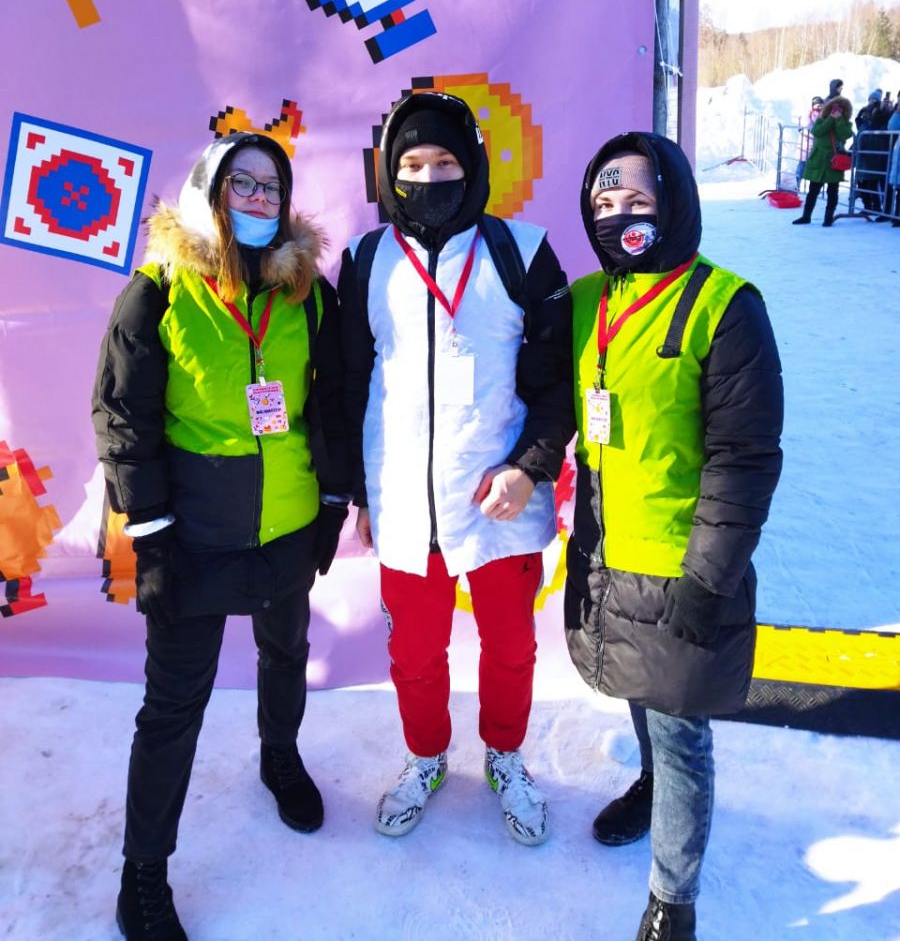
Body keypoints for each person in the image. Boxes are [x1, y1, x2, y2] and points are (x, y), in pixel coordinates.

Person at [93, 133, 349, 940]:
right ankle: (143, 873)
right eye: (244, 184)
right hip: (194, 536)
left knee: (286, 652)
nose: (260, 200)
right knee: (173, 705)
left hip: (286, 524)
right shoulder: (157, 294)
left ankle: (280, 756)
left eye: (273, 188)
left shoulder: (307, 293)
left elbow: (333, 401)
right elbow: (123, 420)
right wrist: (152, 537)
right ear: (210, 192)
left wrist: (332, 501)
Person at [564, 134, 783, 941]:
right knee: (638, 690)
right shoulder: (585, 301)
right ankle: (651, 787)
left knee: (681, 729)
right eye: (604, 204)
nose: (620, 217)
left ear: (675, 204)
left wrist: (709, 576)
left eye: (638, 202)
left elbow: (744, 457)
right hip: (606, 557)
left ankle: (671, 902)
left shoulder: (726, 306)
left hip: (682, 567)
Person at [339, 91, 572, 846]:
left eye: (444, 161)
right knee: (413, 653)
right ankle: (426, 755)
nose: (428, 177)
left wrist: (529, 469)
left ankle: (505, 754)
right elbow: (348, 384)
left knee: (510, 648)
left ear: (471, 164)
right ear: (390, 172)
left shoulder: (522, 252)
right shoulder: (366, 260)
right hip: (406, 503)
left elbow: (557, 385)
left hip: (498, 496)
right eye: (411, 163)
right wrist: (362, 492)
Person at [793, 95, 853, 225]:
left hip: (834, 161)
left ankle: (828, 218)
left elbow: (845, 134)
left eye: (840, 108)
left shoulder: (845, 123)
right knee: (813, 190)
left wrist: (838, 120)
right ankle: (806, 216)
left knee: (832, 191)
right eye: (834, 107)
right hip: (819, 159)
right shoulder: (821, 119)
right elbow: (817, 131)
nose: (836, 110)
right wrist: (831, 118)